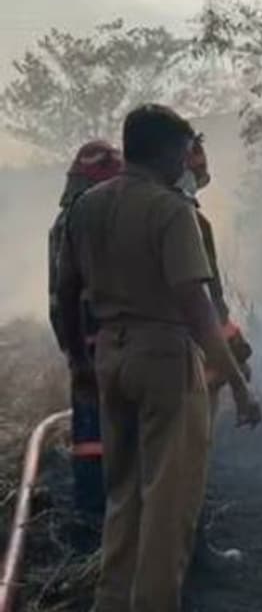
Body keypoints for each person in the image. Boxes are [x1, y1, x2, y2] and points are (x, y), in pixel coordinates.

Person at [55, 103, 262, 612]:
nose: (186, 162)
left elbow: (64, 295)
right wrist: (237, 382)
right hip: (166, 359)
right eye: (183, 151)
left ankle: (112, 600)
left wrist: (81, 369)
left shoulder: (85, 208)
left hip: (111, 356)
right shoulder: (172, 212)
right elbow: (196, 306)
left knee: (124, 498)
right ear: (167, 150)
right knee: (169, 505)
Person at [175, 133, 255, 570]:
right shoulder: (189, 222)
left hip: (134, 361)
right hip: (190, 358)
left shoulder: (119, 211)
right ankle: (194, 554)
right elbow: (208, 303)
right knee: (193, 455)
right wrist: (235, 358)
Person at [48, 140, 123, 551]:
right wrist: (76, 358)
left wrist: (73, 354)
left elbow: (56, 299)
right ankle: (96, 522)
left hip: (104, 345)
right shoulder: (73, 226)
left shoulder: (70, 223)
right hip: (106, 345)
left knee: (100, 431)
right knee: (100, 433)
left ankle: (102, 517)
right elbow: (60, 296)